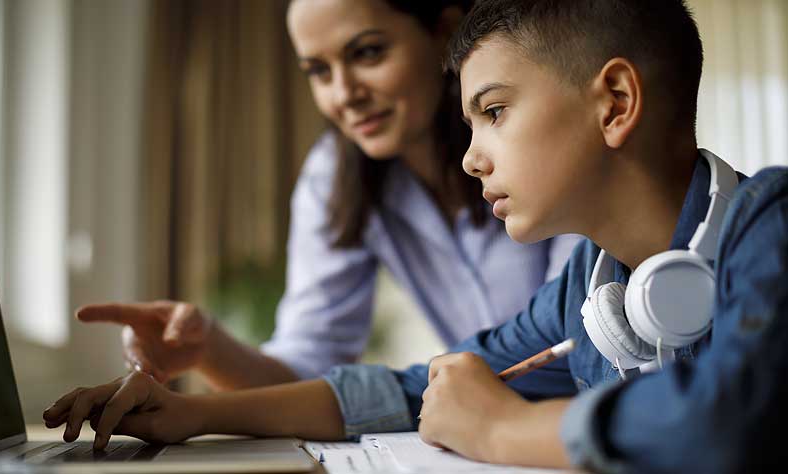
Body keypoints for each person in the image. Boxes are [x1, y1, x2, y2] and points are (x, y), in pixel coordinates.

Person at [45, 0, 788, 471]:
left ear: (616, 101)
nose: (472, 155)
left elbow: (726, 419)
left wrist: (500, 434)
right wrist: (195, 414)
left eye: (493, 112)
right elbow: (418, 389)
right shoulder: (589, 290)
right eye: (469, 122)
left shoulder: (771, 221)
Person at [75, 0, 580, 390]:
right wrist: (205, 346)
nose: (344, 94)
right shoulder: (335, 175)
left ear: (445, 33)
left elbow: (572, 340)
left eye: (367, 53)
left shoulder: (537, 140)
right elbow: (309, 360)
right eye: (318, 71)